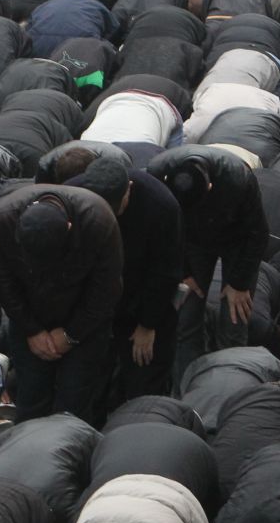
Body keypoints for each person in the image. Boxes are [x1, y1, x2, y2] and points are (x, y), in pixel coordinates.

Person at [39, 147, 185, 403]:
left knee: (144, 374)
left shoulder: (161, 205)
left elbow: (165, 270)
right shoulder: (70, 196)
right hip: (95, 300)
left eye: (117, 208)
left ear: (128, 188)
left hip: (143, 295)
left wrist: (148, 324)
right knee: (91, 381)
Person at [0, 184, 124, 422]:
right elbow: (4, 281)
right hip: (29, 319)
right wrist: (32, 329)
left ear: (69, 228)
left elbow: (105, 289)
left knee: (73, 405)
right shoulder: (4, 220)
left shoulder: (97, 222)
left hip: (84, 322)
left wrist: (72, 334)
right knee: (30, 400)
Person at [145, 145, 270, 368]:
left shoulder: (238, 177)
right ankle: (187, 388)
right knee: (185, 319)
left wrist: (239, 283)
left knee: (234, 318)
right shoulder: (158, 173)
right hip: (190, 241)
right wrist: (184, 272)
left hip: (237, 240)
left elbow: (257, 234)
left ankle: (228, 381)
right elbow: (163, 229)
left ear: (210, 186)